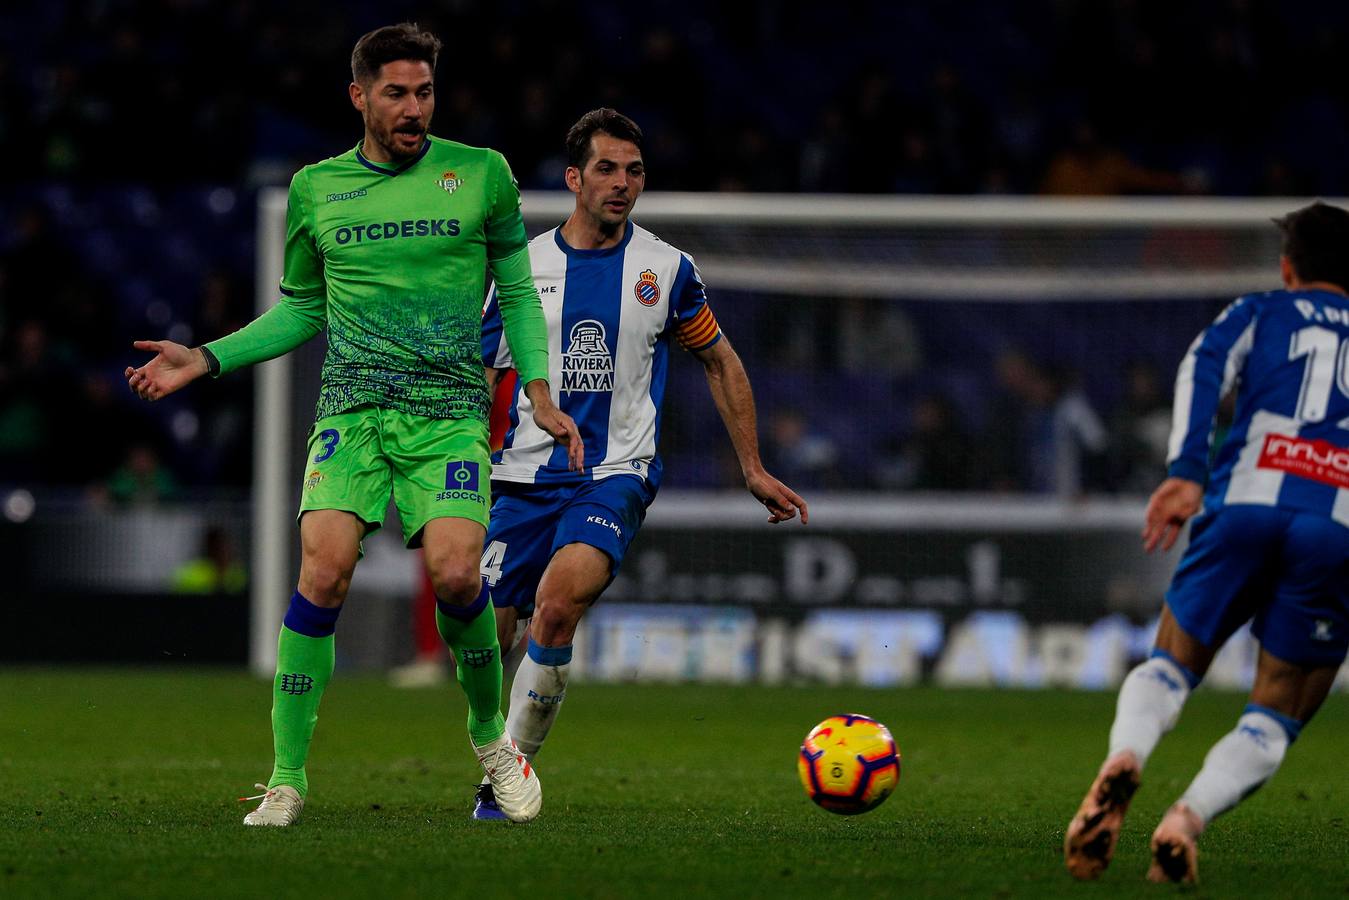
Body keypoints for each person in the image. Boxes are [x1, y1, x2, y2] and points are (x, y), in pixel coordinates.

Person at [124, 23, 582, 826]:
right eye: (397, 93)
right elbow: (304, 306)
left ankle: (490, 742)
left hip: (446, 414)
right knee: (322, 573)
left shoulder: (479, 175)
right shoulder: (316, 188)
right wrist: (207, 358)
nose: (414, 108)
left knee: (454, 576)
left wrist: (537, 390)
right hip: (352, 413)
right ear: (359, 96)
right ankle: (286, 778)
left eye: (425, 92)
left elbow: (515, 291)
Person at [472, 108, 808, 819]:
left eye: (634, 171)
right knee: (485, 634)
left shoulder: (665, 268)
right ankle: (500, 739)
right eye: (605, 169)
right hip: (520, 477)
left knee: (557, 610)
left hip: (615, 471)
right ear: (573, 179)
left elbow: (718, 359)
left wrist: (750, 465)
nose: (622, 184)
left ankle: (506, 774)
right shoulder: (520, 268)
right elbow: (471, 373)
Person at [1064, 201, 1349, 883]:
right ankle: (1184, 820)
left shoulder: (1257, 311)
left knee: (1170, 662)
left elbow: (1202, 364)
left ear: (1288, 268)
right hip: (1335, 527)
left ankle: (1125, 758)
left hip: (1246, 500)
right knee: (1276, 708)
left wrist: (1186, 473)